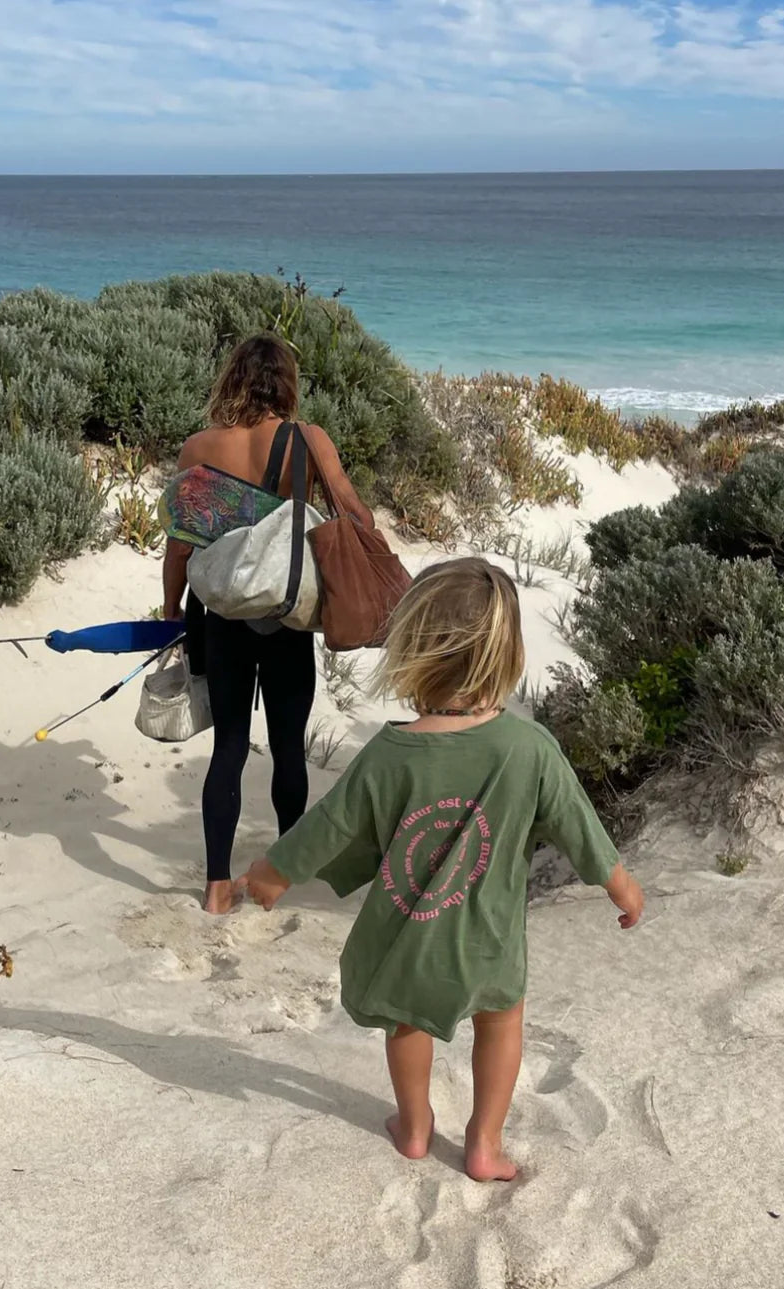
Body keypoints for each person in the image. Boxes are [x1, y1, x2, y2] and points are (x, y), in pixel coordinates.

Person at [238, 557, 644, 1181]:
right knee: (502, 1021)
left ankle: (415, 1125)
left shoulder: (392, 751)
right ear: (506, 656)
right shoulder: (530, 748)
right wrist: (622, 888)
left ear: (413, 652)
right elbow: (580, 828)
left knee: (405, 1021)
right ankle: (483, 1144)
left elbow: (330, 824)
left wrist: (272, 872)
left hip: (411, 938)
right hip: (491, 943)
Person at [162, 333, 374, 916]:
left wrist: (171, 608)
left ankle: (214, 887)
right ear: (287, 384)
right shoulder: (309, 440)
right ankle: (281, 871)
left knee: (228, 747)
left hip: (223, 617)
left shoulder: (200, 447)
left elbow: (180, 544)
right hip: (285, 615)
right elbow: (356, 513)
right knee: (287, 748)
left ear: (232, 379)